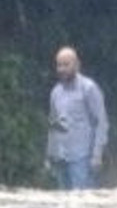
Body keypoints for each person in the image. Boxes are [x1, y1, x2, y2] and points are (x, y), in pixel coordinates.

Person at [47, 47, 109, 190]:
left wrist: (97, 155)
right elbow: (54, 126)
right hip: (61, 158)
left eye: (66, 64)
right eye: (59, 65)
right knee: (64, 205)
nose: (61, 69)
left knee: (83, 205)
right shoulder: (56, 92)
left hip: (83, 159)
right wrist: (50, 155)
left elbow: (101, 122)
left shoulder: (89, 88)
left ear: (77, 65)